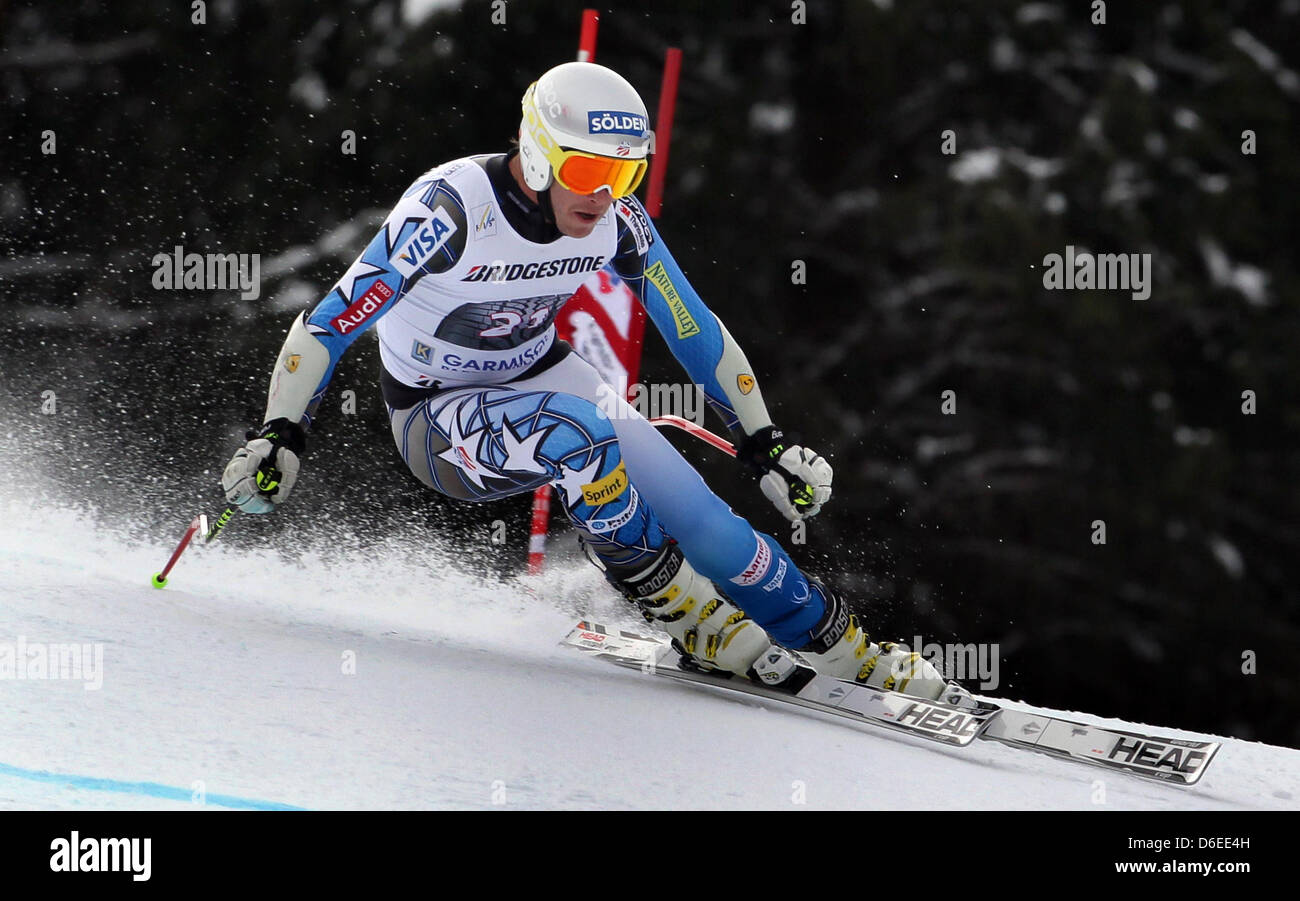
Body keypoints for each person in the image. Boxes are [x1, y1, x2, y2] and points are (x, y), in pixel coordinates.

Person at [222, 61, 970, 704]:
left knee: (708, 522)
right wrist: (281, 432)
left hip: (544, 373)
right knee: (578, 434)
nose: (605, 194)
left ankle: (847, 650)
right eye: (588, 170)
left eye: (626, 173)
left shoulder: (618, 224)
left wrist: (765, 442)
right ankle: (685, 614)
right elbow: (327, 325)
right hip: (436, 415)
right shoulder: (450, 210)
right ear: (539, 154)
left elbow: (695, 330)